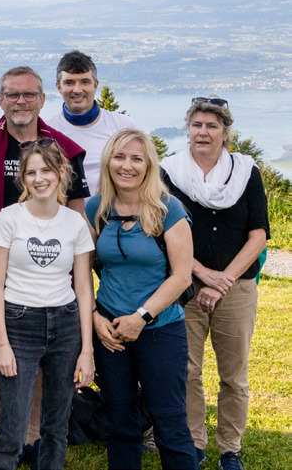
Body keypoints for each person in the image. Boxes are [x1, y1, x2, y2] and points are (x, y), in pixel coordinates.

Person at [0, 66, 90, 465]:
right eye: (12, 95)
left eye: (29, 94)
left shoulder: (65, 150)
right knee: (0, 358)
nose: (20, 102)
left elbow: (78, 215)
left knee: (49, 365)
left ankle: (34, 437)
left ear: (43, 99)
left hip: (51, 278)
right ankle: (8, 428)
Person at [161, 97, 269, 470]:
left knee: (234, 375)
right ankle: (194, 443)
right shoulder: (167, 172)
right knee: (186, 371)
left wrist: (222, 281)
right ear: (188, 129)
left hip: (236, 287)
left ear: (226, 133)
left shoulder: (246, 171)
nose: (202, 132)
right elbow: (162, 233)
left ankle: (230, 450)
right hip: (183, 284)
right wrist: (203, 275)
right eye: (196, 125)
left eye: (211, 126)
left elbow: (258, 235)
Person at [87, 128, 196, 470]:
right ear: (108, 163)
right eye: (119, 157)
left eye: (137, 158)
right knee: (120, 422)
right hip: (110, 331)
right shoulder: (96, 208)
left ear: (149, 165)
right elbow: (78, 269)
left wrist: (142, 318)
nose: (127, 166)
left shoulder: (168, 209)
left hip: (160, 329)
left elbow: (181, 275)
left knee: (170, 421)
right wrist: (93, 316)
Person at [0, 139, 95, 470]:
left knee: (56, 427)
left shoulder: (75, 222)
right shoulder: (8, 219)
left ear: (62, 172)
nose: (39, 178)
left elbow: (85, 288)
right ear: (23, 178)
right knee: (12, 430)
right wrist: (2, 344)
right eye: (31, 172)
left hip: (65, 325)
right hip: (19, 323)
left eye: (46, 170)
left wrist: (86, 350)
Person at [46, 50, 134, 195]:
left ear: (96, 85)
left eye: (85, 82)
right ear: (58, 87)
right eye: (69, 82)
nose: (77, 89)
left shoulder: (121, 125)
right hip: (67, 214)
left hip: (114, 213)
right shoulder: (48, 131)